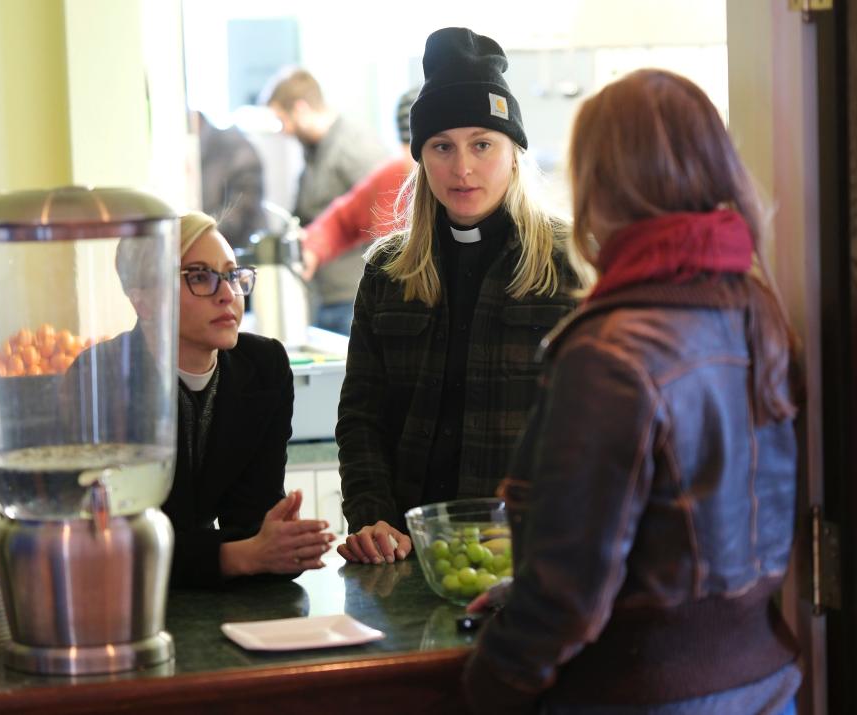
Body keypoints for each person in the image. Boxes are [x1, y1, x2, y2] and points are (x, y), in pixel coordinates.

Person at [462, 69, 801, 715]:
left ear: (602, 186)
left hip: (643, 693)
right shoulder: (757, 310)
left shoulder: (609, 351)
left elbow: (569, 590)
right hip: (766, 684)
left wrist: (491, 683)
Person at [335, 27, 582, 566]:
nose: (462, 168)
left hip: (535, 554)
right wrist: (372, 516)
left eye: (482, 145)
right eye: (442, 146)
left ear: (514, 152)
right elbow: (361, 417)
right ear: (421, 158)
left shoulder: (573, 264)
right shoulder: (388, 271)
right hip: (409, 551)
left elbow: (598, 428)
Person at [64, 212, 335, 589]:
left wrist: (282, 544)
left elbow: (253, 518)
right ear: (144, 302)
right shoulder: (100, 378)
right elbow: (122, 539)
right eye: (199, 277)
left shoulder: (263, 365)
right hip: (114, 596)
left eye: (232, 274)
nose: (228, 294)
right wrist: (242, 556)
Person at [263, 67, 389, 335]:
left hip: (354, 295)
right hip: (326, 296)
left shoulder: (354, 148)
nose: (283, 132)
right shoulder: (313, 153)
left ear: (300, 109)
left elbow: (388, 217)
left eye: (281, 120)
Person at [300, 87, 420, 282]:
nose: (420, 162)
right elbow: (341, 221)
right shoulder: (391, 176)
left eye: (441, 147)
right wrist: (311, 249)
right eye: (413, 149)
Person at [196, 112, 267, 250]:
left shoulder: (235, 147)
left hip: (241, 254)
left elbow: (241, 209)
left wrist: (198, 235)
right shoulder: (197, 152)